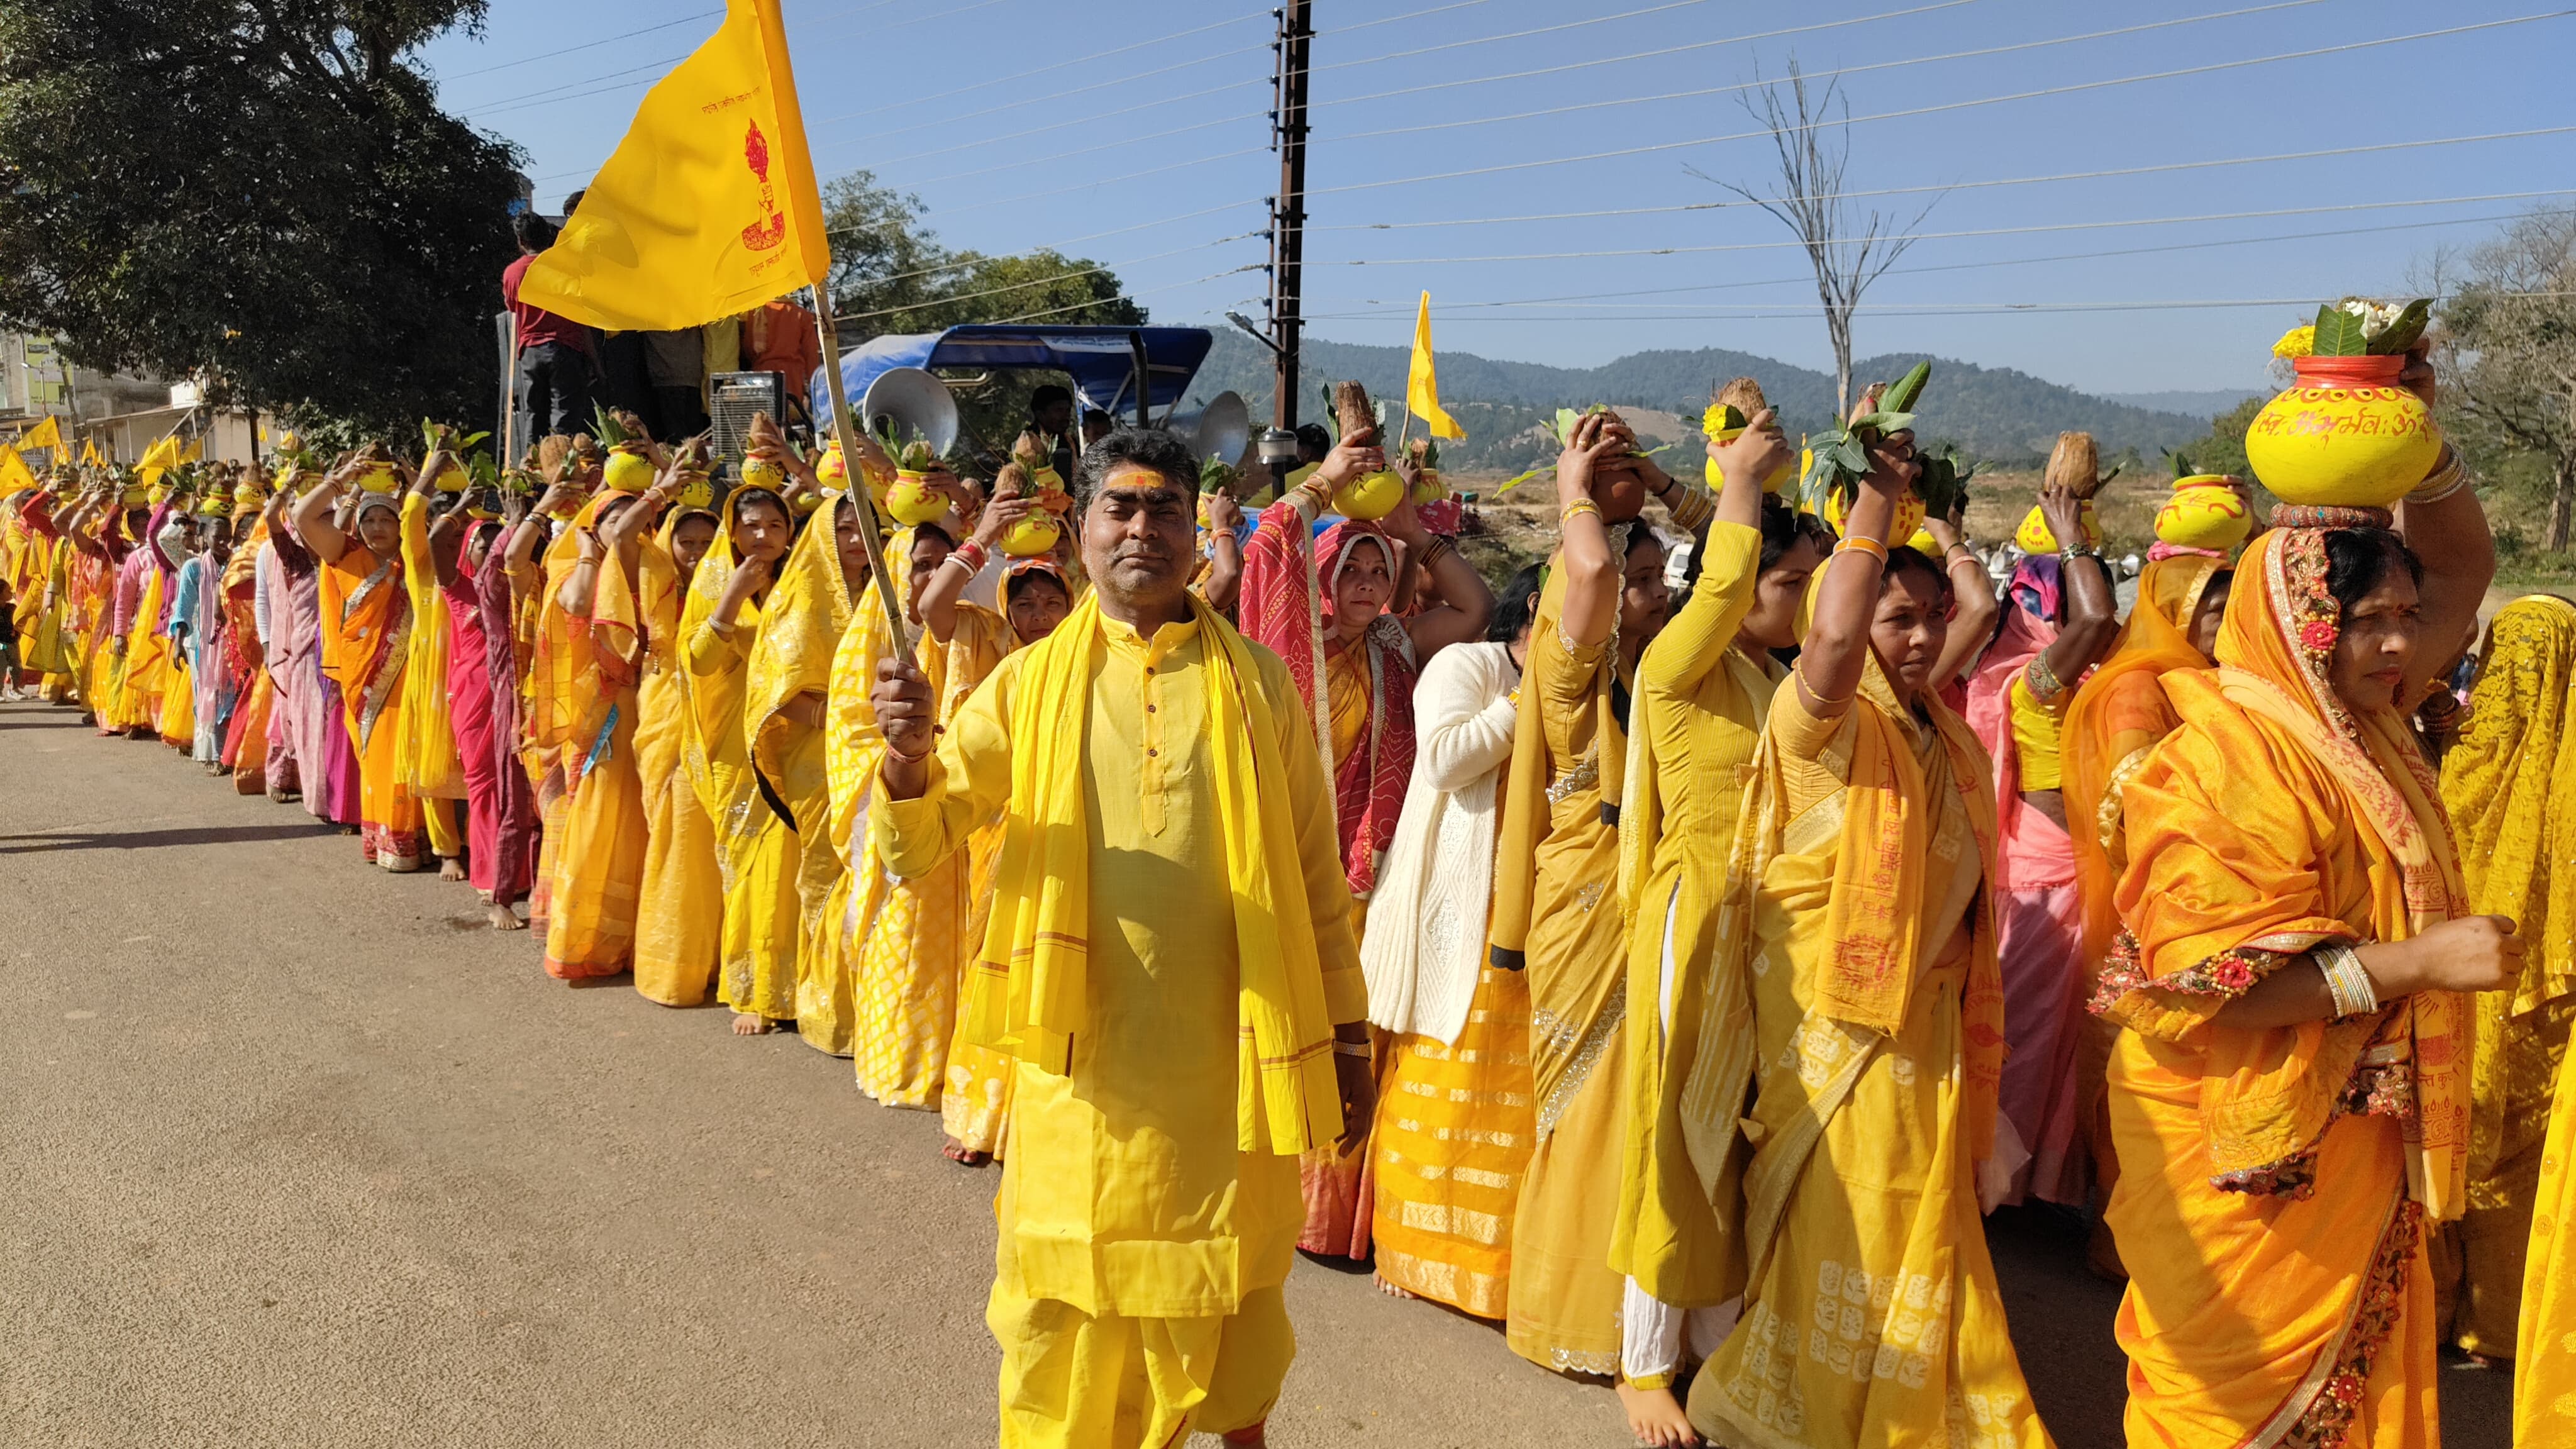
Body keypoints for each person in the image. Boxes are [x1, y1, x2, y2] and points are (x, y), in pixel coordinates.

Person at [868, 426, 1372, 1449]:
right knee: (1062, 1321)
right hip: (1079, 1074)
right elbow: (919, 841)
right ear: (1082, 530)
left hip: (1225, 1070)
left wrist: (1350, 1032)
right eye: (1122, 507)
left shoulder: (1260, 684)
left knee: (1228, 1316)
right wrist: (908, 758)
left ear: (1198, 537)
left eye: (1166, 510)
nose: (1144, 527)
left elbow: (1317, 877)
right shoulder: (1024, 681)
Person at [2097, 416, 2509, 1446]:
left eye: (2407, 619)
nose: (2401, 644)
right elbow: (2222, 984)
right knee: (2230, 1408)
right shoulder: (2223, 759)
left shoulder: (2363, 714)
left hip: (2354, 1129)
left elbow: (2465, 565)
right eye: (2369, 620)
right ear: (2299, 623)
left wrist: (2423, 442)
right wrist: (2425, 960)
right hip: (2240, 1134)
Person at [1677, 430, 2051, 1447]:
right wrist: (1874, 508)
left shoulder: (1940, 728)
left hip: (1926, 1026)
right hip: (1840, 1033)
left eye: (1932, 620)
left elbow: (1975, 609)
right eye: (1901, 618)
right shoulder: (1823, 722)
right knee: (1862, 1231)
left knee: (1921, 1232)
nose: (1926, 637)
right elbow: (1836, 642)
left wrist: (1940, 528)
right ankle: (1807, 1408)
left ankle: (1874, 1407)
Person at [1607, 412, 1820, 1445]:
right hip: (1688, 920)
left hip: (1757, 927)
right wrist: (1735, 480)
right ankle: (1643, 1360)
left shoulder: (1770, 680)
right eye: (1797, 587)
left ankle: (1713, 1336)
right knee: (1671, 1132)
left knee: (1729, 1142)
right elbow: (1726, 583)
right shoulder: (1679, 665)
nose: (1810, 607)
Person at [1241, 414, 1494, 1259]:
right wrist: (1323, 484)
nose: (1360, 580)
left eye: (1372, 568)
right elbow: (1270, 546)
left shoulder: (1393, 645)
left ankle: (1326, 1217)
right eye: (1348, 564)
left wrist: (1415, 536)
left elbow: (1476, 606)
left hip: (1364, 873)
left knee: (1346, 1030)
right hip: (1281, 866)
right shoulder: (1287, 647)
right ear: (1322, 574)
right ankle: (1260, 1191)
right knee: (1281, 1023)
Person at [1485, 410, 1686, 1380]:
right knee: (1587, 1106)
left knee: (1645, 1106)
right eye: (1635, 583)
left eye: (1656, 582)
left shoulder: (1672, 675)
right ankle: (1569, 1311)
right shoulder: (1569, 672)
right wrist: (1573, 488)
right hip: (1583, 899)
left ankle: (1641, 1316)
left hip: (1655, 899)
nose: (1647, 597)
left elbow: (1786, 575)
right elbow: (1595, 574)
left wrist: (1659, 481)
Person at [1360, 562, 1546, 1319]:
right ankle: (1412, 1250)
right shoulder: (1471, 663)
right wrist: (1525, 695)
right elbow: (1442, 760)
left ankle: (1496, 1265)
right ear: (1539, 605)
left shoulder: (1595, 683)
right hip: (1459, 906)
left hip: (1536, 910)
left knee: (1513, 1092)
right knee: (1444, 1062)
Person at [2059, 508, 2241, 1277]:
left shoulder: (2208, 685)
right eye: (2207, 603)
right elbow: (2126, 802)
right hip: (2147, 901)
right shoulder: (2139, 691)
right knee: (2137, 1066)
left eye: (2229, 605)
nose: (2220, 619)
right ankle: (2119, 1239)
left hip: (2198, 894)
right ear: (2169, 608)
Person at [1965, 480, 2119, 1210]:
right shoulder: (2034, 682)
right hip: (2038, 874)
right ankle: (1990, 1181)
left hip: (2088, 870)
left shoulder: (2111, 678)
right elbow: (2099, 616)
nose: (2051, 615)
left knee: (2072, 1039)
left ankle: (2038, 1182)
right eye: (2045, 603)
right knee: (2022, 1040)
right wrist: (2073, 538)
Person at [2435, 597, 2576, 1364]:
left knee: (2443, 1131)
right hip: (2543, 992)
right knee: (2521, 1151)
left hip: (2448, 973)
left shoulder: (2459, 752)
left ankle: (2423, 1306)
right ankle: (2499, 1326)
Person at [684, 484, 805, 1035]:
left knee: (795, 867)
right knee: (752, 868)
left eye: (775, 526)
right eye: (752, 526)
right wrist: (733, 596)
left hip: (796, 739)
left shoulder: (804, 581)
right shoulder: (714, 582)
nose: (764, 536)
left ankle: (801, 987)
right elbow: (700, 662)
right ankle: (753, 991)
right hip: (737, 745)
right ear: (732, 531)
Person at [528, 480, 661, 979]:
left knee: (641, 820)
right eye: (613, 520)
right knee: (600, 817)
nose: (628, 529)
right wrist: (587, 554)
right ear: (597, 528)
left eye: (636, 520)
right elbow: (581, 605)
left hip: (652, 705)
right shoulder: (570, 565)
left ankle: (634, 937)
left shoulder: (653, 566)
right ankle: (588, 940)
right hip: (597, 713)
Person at [292, 465, 427, 870]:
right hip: (368, 680)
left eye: (388, 517)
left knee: (417, 750)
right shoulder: (346, 555)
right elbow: (302, 517)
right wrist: (344, 477)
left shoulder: (416, 556)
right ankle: (391, 838)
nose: (379, 526)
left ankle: (423, 836)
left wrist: (416, 477)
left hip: (417, 672)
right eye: (369, 518)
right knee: (385, 752)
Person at [631, 488, 724, 993]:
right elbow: (621, 534)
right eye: (685, 541)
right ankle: (677, 966)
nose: (696, 551)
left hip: (723, 713)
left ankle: (720, 961)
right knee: (681, 834)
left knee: (720, 840)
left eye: (707, 541)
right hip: (669, 709)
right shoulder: (657, 581)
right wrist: (661, 485)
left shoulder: (736, 585)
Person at [504, 213, 596, 440]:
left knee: (534, 415)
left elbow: (513, 309)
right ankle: (562, 468)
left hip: (529, 352)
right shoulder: (565, 269)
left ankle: (532, 468)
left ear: (521, 241)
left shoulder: (512, 273)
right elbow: (580, 316)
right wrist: (596, 362)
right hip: (564, 349)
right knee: (565, 417)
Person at [740, 296, 823, 410]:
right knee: (788, 418)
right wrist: (815, 387)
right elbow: (811, 357)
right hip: (791, 378)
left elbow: (749, 348)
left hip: (762, 377)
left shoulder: (756, 313)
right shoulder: (802, 315)